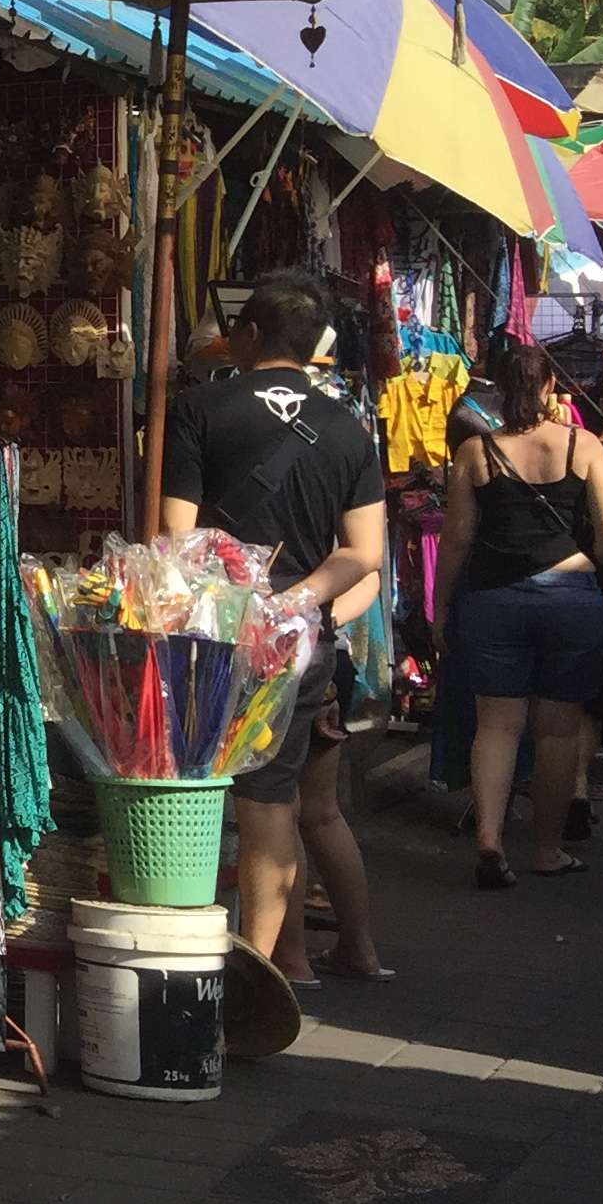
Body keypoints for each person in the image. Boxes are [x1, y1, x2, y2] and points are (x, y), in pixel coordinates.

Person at [161, 271, 390, 982]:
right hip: (302, 637)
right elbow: (364, 553)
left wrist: (242, 601)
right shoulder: (347, 428)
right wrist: (299, 603)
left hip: (214, 631)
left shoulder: (199, 408)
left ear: (248, 335)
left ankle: (219, 951)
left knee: (191, 787)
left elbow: (175, 537)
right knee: (273, 799)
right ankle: (266, 968)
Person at [439, 336, 603, 884]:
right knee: (558, 730)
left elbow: (455, 541)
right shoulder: (582, 445)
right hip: (571, 596)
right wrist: (596, 560)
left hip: (494, 599)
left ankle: (491, 841)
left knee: (495, 726)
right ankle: (545, 849)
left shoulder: (475, 452)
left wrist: (442, 607)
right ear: (549, 387)